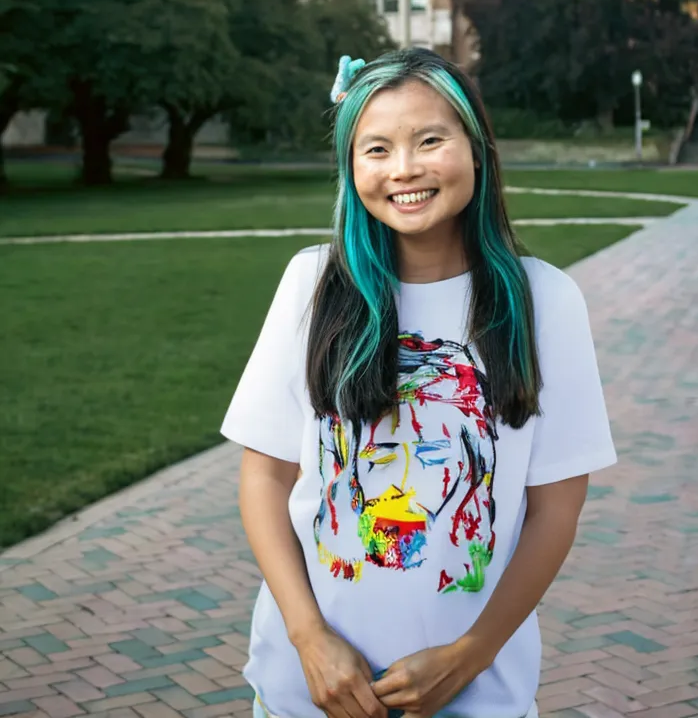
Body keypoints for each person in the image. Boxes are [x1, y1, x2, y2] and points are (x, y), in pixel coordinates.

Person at [221, 48, 617, 718]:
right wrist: (309, 638)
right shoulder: (312, 286)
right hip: (305, 690)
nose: (403, 168)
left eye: (430, 140)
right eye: (377, 148)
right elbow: (265, 476)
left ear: (478, 147)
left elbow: (556, 509)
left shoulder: (545, 301)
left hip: (475, 696)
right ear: (351, 166)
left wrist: (471, 655)